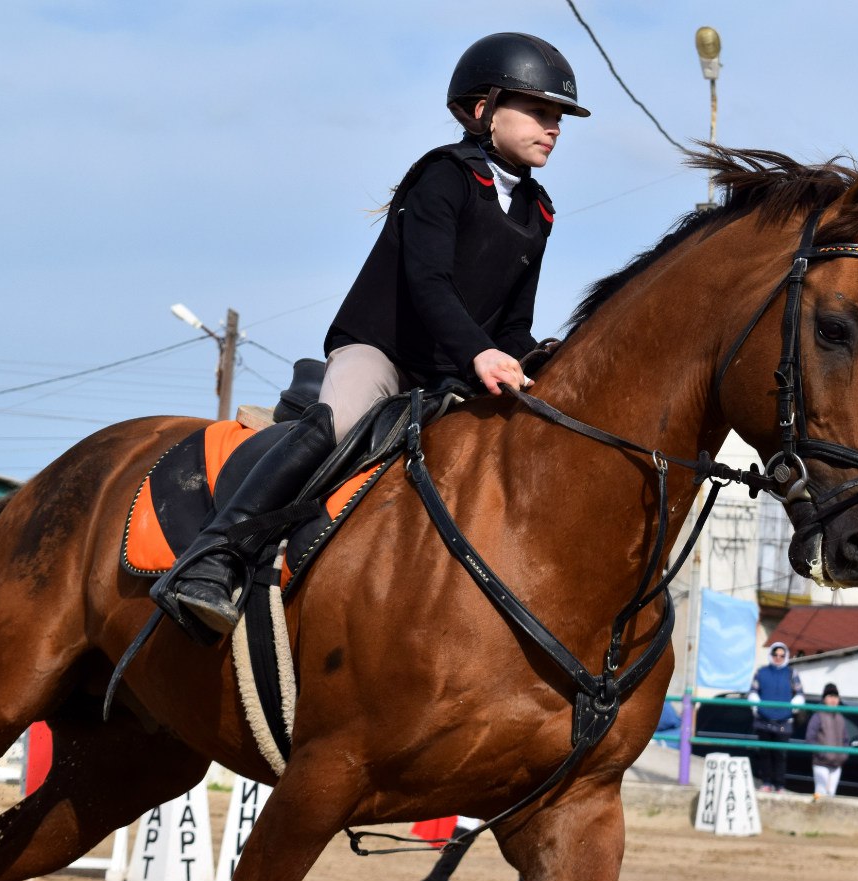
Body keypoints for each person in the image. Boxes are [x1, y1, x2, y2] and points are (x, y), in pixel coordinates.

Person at [151, 32, 590, 640]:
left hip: (453, 372)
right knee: (337, 423)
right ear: (484, 109)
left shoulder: (538, 211)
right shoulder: (444, 177)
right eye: (539, 111)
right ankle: (213, 557)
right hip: (383, 352)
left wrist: (532, 357)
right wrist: (481, 352)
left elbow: (513, 322)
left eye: (559, 116)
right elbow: (429, 284)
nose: (554, 127)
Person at [749, 641, 804, 793]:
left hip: (784, 721)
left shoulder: (792, 674)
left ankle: (779, 785)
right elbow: (753, 692)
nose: (778, 657)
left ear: (786, 656)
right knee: (765, 753)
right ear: (771, 655)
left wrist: (792, 708)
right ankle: (766, 783)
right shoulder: (761, 672)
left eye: (782, 655)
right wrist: (757, 707)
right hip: (763, 720)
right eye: (775, 654)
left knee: (780, 755)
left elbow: (800, 695)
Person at [805, 682, 849, 799]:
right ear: (824, 699)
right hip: (821, 763)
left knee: (831, 795)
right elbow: (810, 738)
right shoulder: (818, 716)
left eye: (835, 697)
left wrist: (843, 755)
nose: (833, 700)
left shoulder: (840, 717)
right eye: (830, 696)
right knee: (820, 792)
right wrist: (823, 753)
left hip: (836, 764)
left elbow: (845, 740)